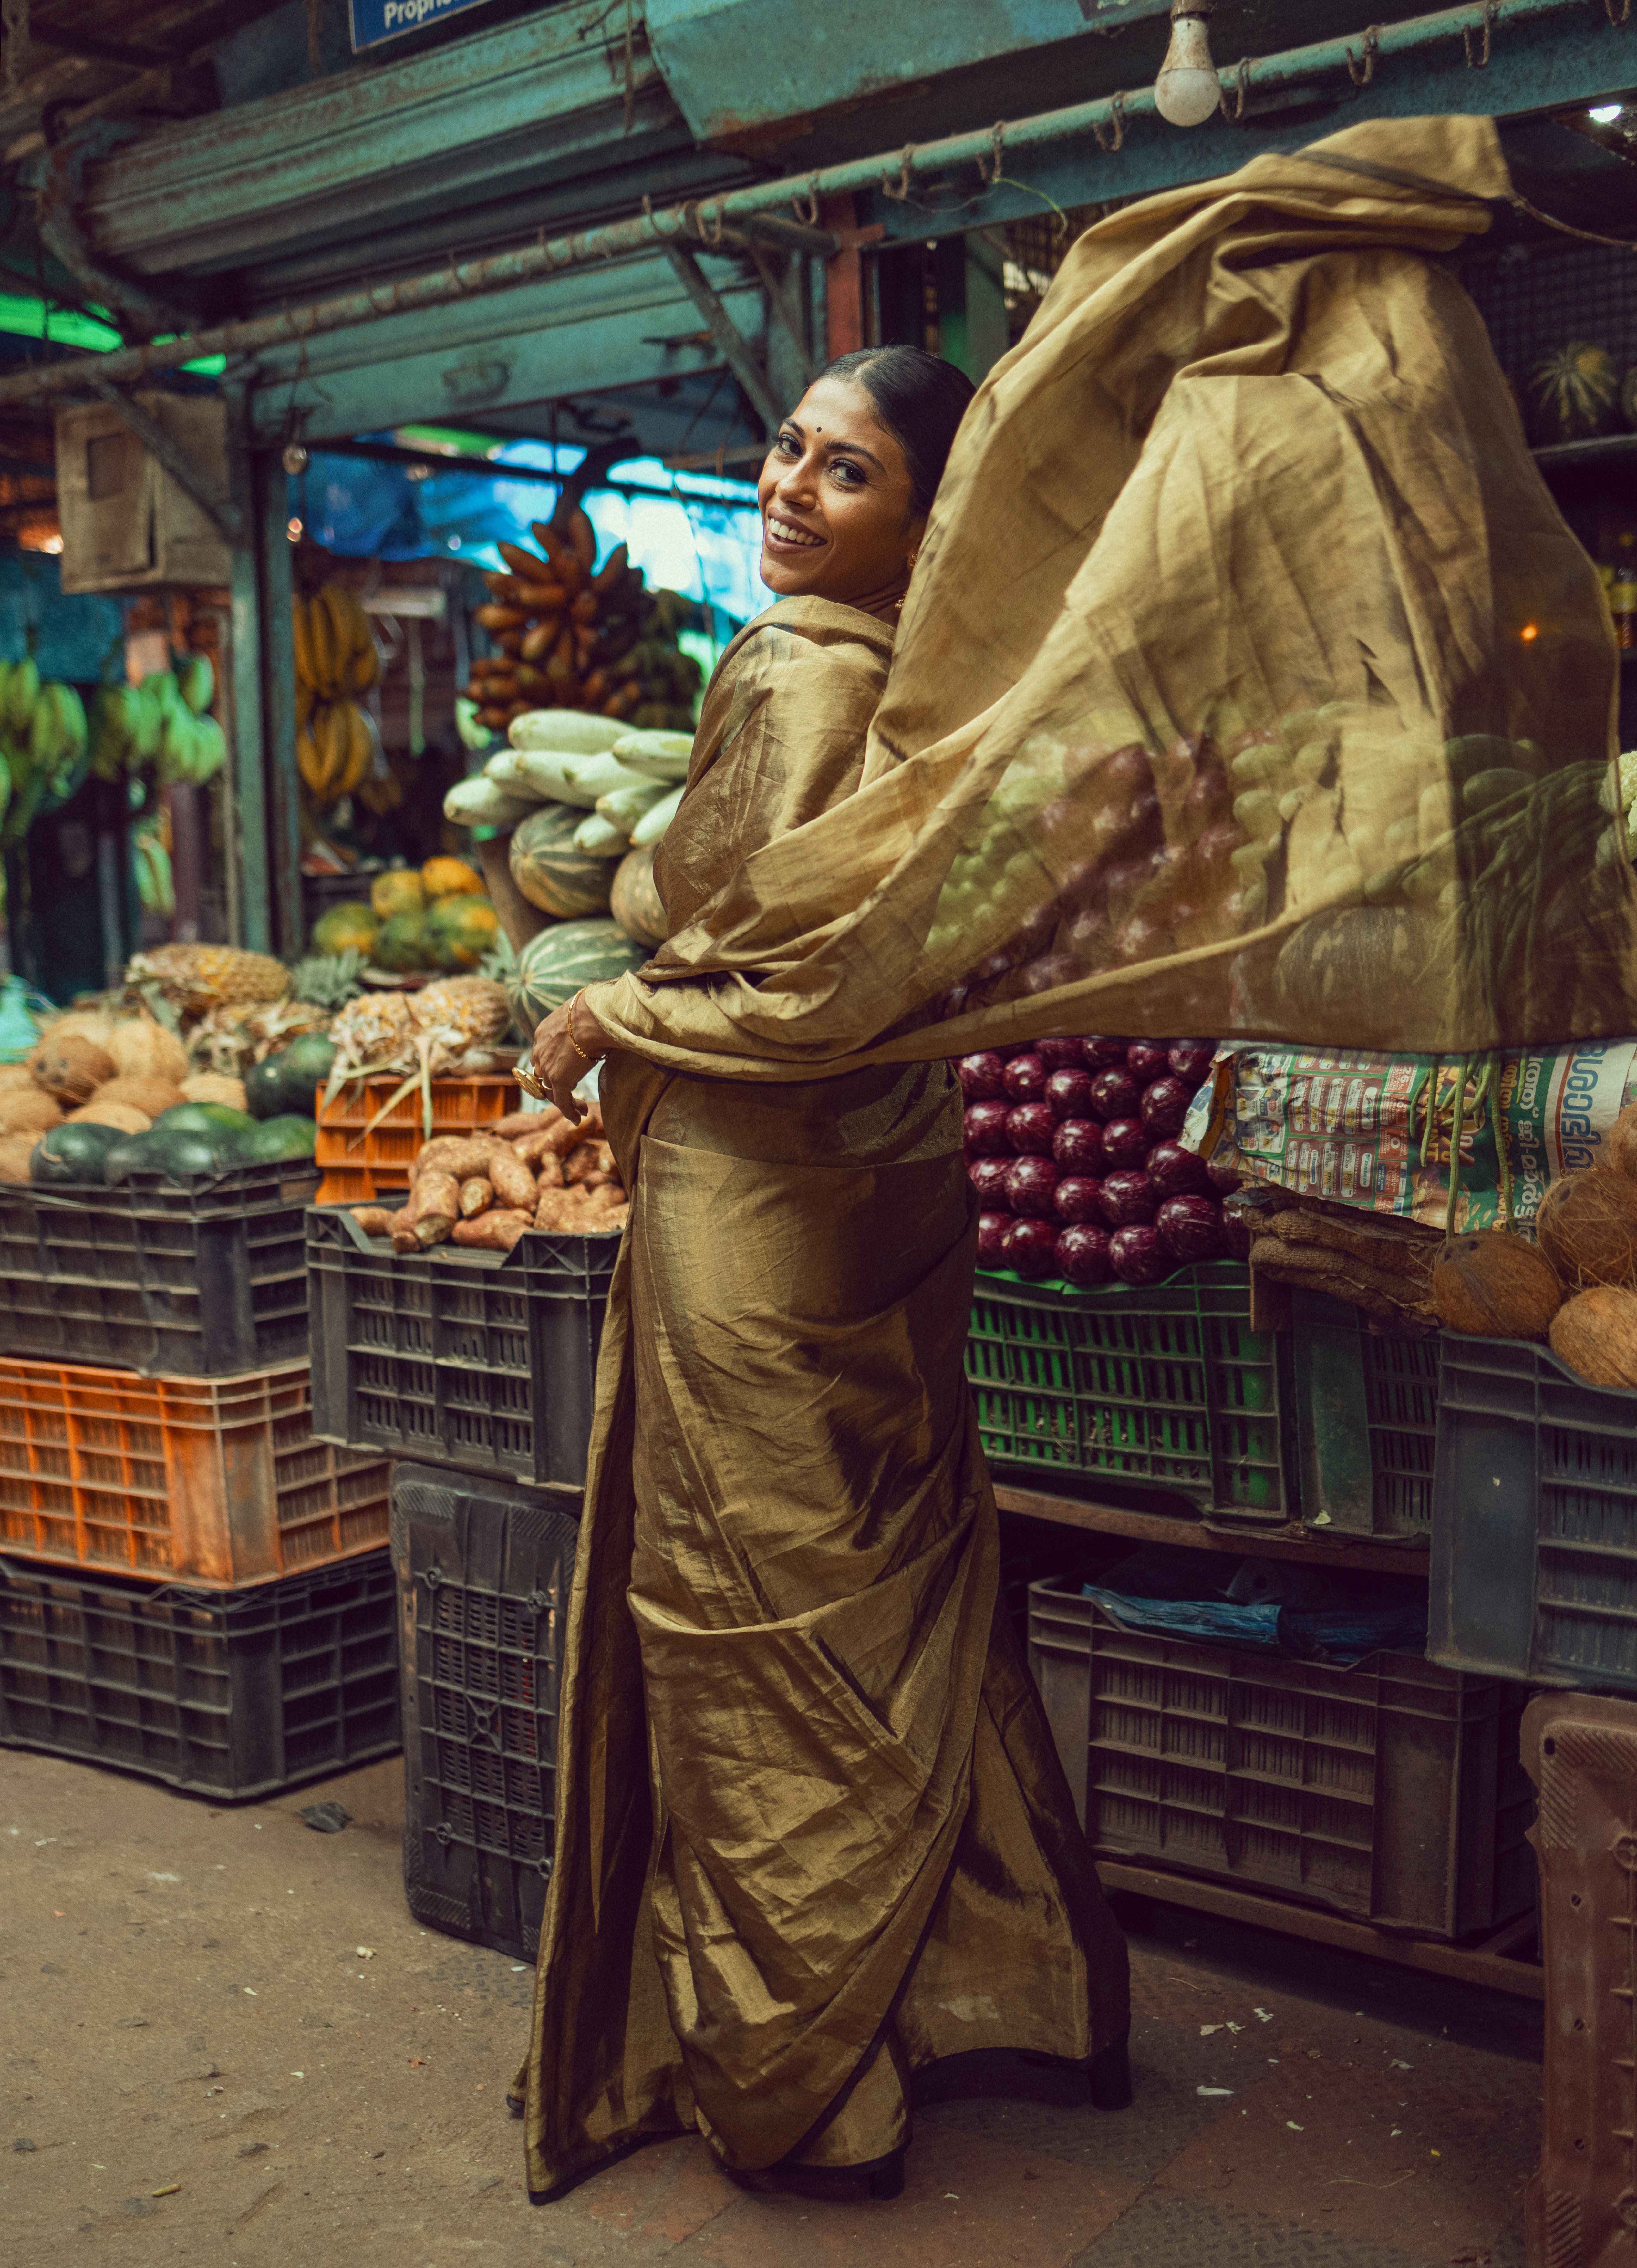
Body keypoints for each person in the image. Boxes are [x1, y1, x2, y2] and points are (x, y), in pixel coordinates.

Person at [514, 347, 1132, 2206]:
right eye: (786, 448)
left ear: (925, 519)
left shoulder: (797, 671)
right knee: (893, 1574)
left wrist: (617, 993)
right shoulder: (943, 692)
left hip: (758, 1190)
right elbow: (878, 967)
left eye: (846, 470)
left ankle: (807, 2083)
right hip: (887, 1174)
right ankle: (991, 1990)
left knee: (746, 1602)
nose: (788, 486)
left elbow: (785, 965)